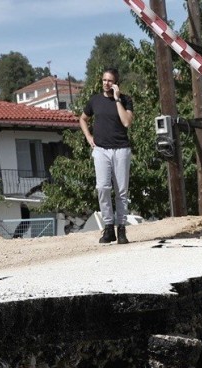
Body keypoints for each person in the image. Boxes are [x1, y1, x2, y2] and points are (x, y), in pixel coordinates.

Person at [80, 68, 134, 244]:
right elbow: (82, 119)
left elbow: (126, 122)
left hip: (121, 150)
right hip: (101, 150)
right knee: (102, 187)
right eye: (104, 80)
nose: (106, 83)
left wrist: (117, 99)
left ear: (116, 83)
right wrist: (89, 137)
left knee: (121, 192)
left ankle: (122, 229)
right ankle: (108, 227)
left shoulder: (125, 100)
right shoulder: (95, 100)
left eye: (110, 80)